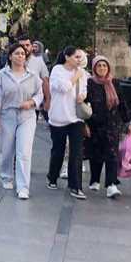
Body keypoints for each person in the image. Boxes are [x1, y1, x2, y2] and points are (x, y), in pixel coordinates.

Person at [0, 42, 44, 200]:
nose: (20, 56)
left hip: (27, 116)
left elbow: (40, 94)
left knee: (24, 152)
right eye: (17, 53)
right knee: (7, 150)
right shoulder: (1, 76)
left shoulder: (33, 76)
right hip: (7, 115)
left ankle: (23, 187)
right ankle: (7, 177)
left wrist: (32, 102)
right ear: (10, 56)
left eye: (23, 54)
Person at [85, 56, 131, 199]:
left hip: (112, 124)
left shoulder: (114, 83)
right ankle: (94, 180)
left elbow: (122, 104)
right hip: (95, 124)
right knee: (96, 154)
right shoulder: (90, 83)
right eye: (99, 66)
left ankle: (111, 185)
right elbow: (84, 104)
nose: (102, 69)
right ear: (94, 68)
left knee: (112, 154)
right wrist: (85, 124)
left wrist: (128, 122)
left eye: (104, 66)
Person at [47, 46, 89, 200]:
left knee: (76, 152)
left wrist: (82, 96)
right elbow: (63, 87)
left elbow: (84, 88)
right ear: (67, 57)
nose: (79, 60)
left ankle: (75, 186)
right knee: (58, 150)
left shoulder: (82, 73)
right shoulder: (57, 70)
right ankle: (52, 176)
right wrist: (76, 76)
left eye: (81, 57)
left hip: (76, 117)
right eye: (76, 57)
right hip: (59, 116)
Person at [30, 39, 51, 122]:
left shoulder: (43, 56)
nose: (34, 48)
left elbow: (46, 68)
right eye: (33, 46)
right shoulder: (29, 57)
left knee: (42, 105)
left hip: (42, 83)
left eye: (36, 46)